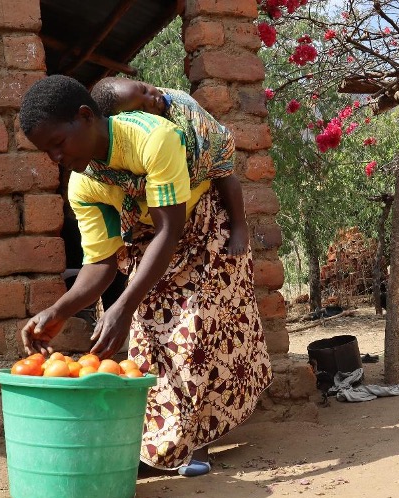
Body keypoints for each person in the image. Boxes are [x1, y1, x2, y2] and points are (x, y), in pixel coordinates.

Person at [18, 75, 272, 477]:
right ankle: (164, 443)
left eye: (57, 144)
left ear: (85, 117)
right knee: (151, 342)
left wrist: (122, 306)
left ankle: (193, 441)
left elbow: (170, 228)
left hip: (203, 232)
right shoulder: (85, 186)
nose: (54, 158)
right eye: (45, 151)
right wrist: (60, 310)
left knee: (197, 334)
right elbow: (101, 264)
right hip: (151, 248)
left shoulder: (154, 138)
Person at [90, 78, 250, 256]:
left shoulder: (181, 105)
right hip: (164, 219)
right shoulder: (122, 152)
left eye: (144, 89)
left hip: (208, 167)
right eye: (142, 109)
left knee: (225, 175)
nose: (151, 98)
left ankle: (239, 225)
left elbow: (212, 138)